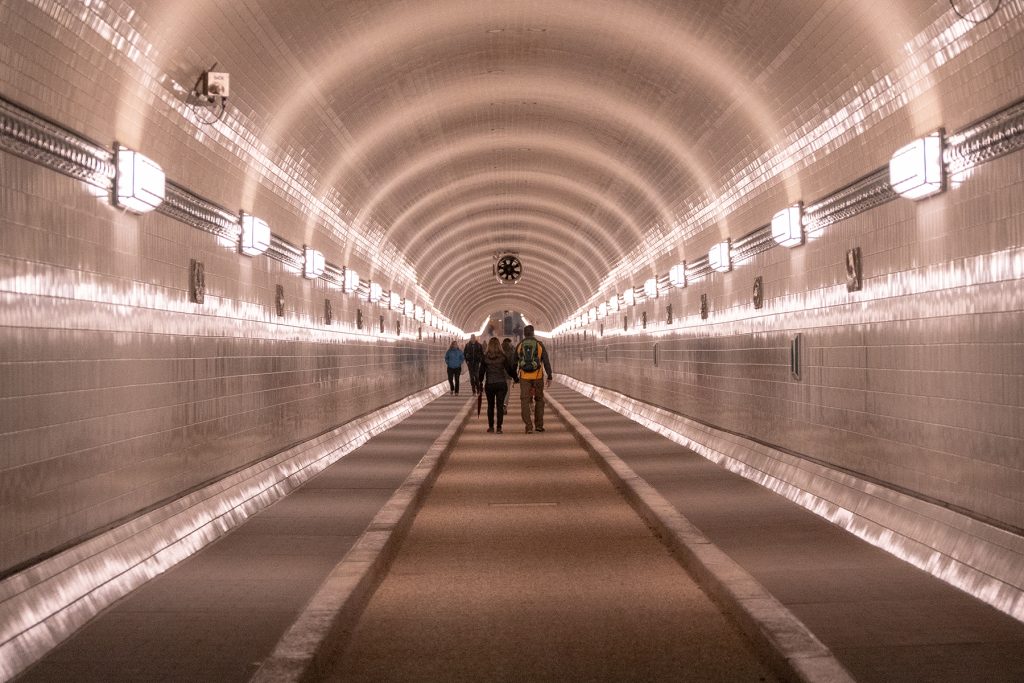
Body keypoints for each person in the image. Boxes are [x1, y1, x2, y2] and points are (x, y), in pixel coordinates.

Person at [515, 325, 553, 433]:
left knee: (524, 401)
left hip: (524, 377)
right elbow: (546, 361)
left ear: (524, 333)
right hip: (538, 376)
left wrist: (514, 376)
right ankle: (539, 425)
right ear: (533, 333)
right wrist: (549, 375)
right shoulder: (539, 345)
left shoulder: (520, 345)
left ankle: (529, 426)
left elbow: (514, 362)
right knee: (539, 400)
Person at [477, 337, 518, 433]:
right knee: (500, 406)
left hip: (490, 384)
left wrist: (480, 382)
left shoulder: (485, 357)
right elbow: (509, 369)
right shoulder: (503, 357)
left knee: (490, 406)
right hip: (501, 384)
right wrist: (516, 378)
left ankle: (491, 427)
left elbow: (481, 372)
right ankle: (499, 428)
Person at [501, 337, 516, 411]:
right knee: (507, 390)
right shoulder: (511, 352)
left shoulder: (499, 351)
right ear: (509, 343)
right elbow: (513, 364)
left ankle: (500, 403)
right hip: (508, 374)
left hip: (499, 374)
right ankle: (504, 405)